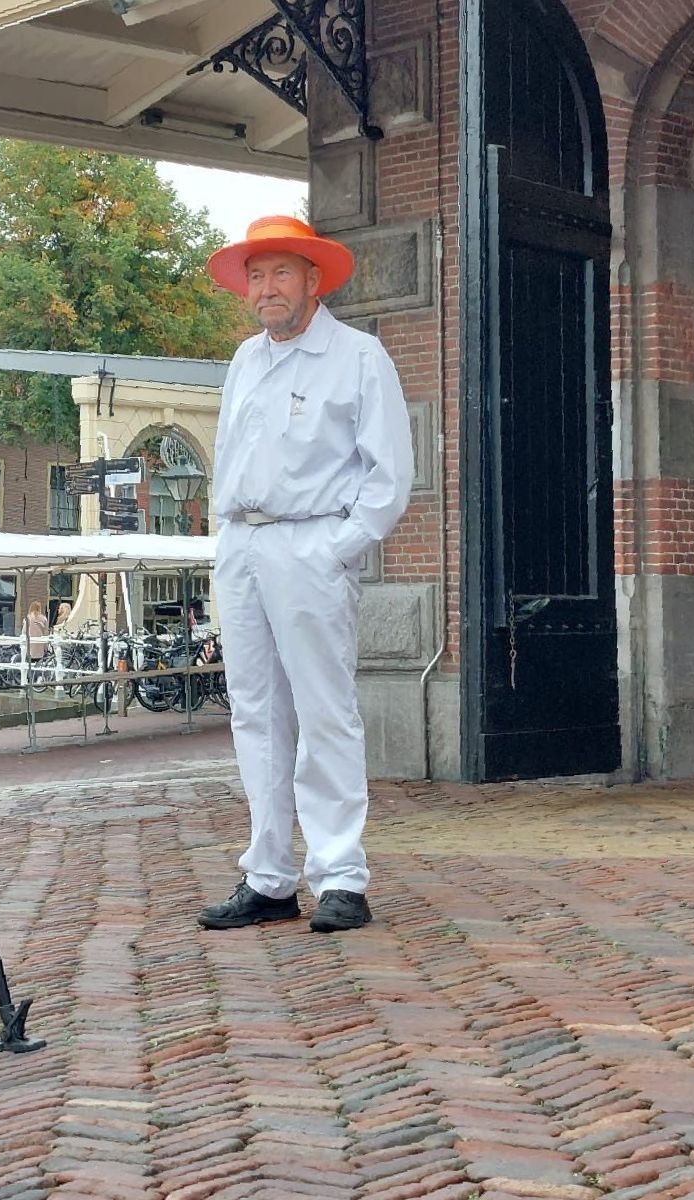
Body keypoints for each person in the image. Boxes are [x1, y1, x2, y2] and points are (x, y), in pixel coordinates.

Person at [197, 216, 413, 936]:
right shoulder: (242, 363)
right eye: (256, 276)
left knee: (324, 708)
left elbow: (389, 475)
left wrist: (338, 547)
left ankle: (342, 874)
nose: (266, 289)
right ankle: (268, 876)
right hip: (244, 545)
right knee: (255, 712)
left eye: (281, 273)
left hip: (309, 542)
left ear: (314, 280)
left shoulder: (358, 357)